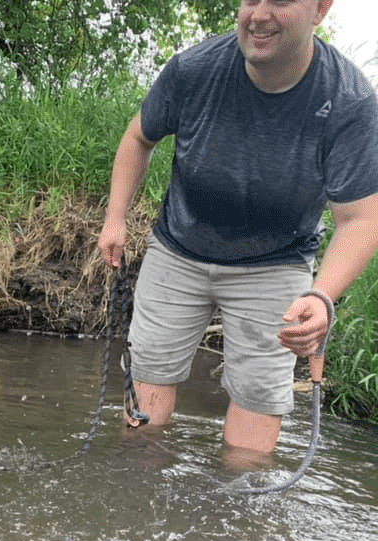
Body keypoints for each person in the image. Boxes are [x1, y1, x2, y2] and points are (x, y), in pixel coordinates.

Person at [97, 0, 378, 456]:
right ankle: (135, 498)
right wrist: (115, 218)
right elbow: (138, 137)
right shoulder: (194, 69)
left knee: (257, 400)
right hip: (178, 249)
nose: (259, 15)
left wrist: (322, 295)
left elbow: (361, 218)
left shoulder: (349, 101)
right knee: (148, 387)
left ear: (320, 9)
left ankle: (240, 514)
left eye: (281, 1)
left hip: (277, 263)